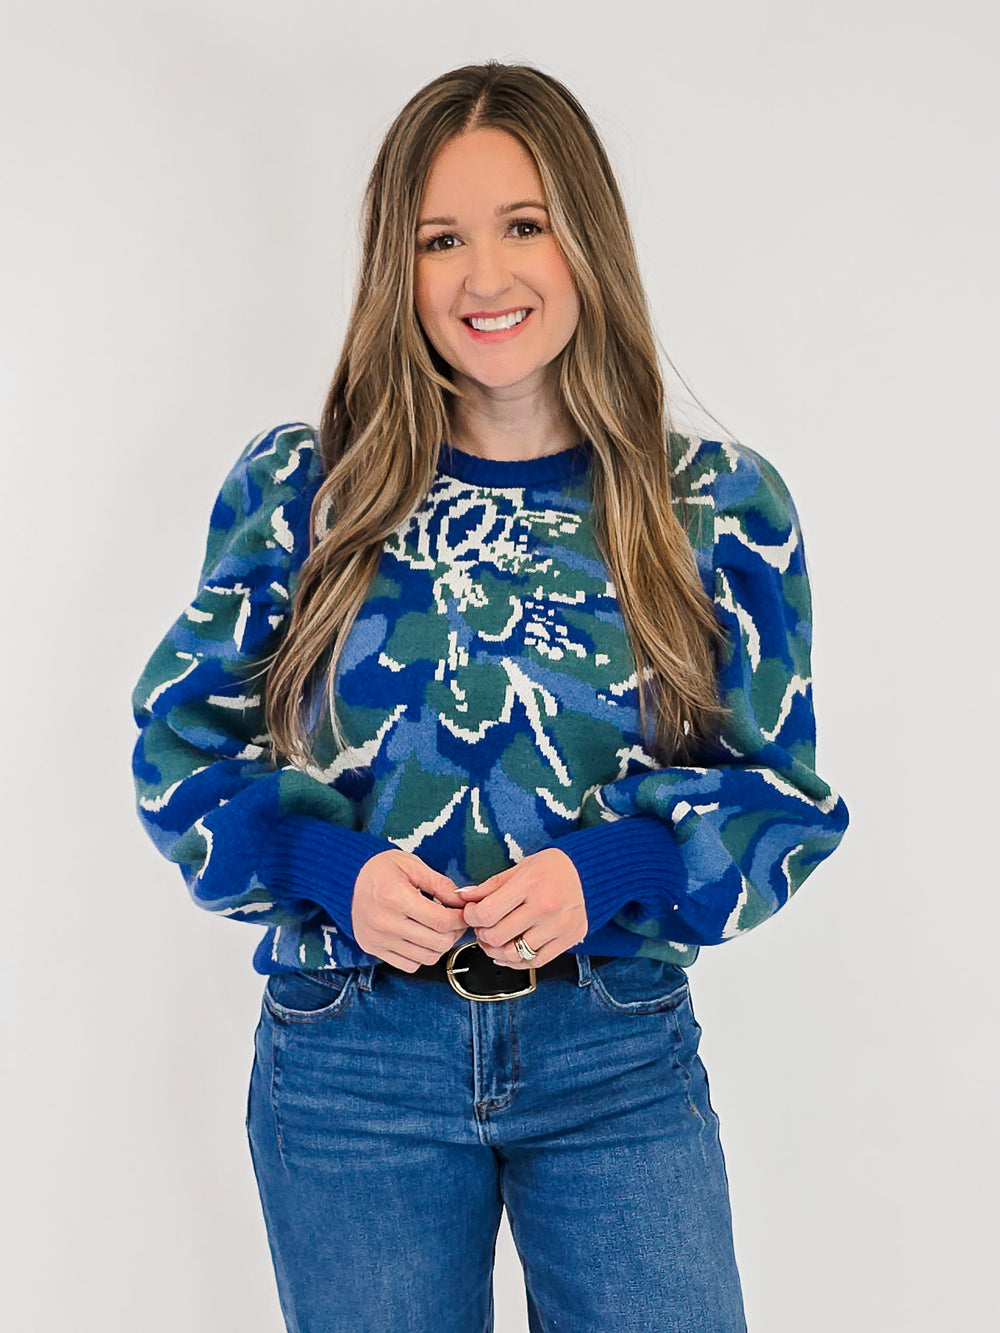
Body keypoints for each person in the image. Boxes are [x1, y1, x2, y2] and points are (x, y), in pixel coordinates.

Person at [130, 60, 849, 1333]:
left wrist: (614, 867)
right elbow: (181, 753)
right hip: (352, 1060)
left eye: (523, 225)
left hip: (612, 1051)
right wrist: (327, 865)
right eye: (440, 240)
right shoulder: (304, 493)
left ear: (587, 240)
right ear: (394, 268)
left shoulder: (714, 509)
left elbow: (781, 797)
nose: (484, 276)